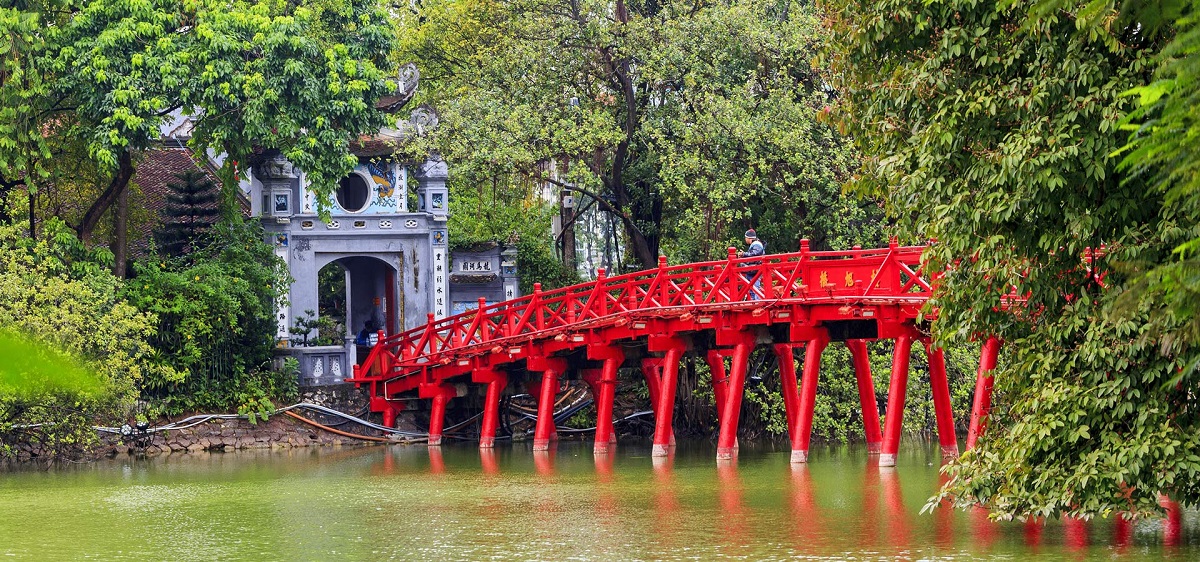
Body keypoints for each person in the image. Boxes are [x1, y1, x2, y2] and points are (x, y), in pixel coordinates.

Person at [737, 229, 765, 299]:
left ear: (748, 238)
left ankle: (757, 301)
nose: (745, 239)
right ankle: (754, 301)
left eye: (745, 237)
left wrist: (744, 254)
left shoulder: (757, 244)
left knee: (755, 287)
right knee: (752, 287)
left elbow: (755, 254)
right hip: (754, 268)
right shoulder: (755, 244)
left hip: (756, 268)